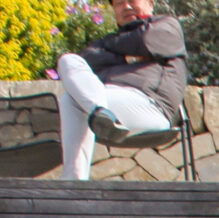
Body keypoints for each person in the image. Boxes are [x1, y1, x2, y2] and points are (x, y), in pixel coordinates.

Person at [52, 0, 186, 183]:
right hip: (110, 103)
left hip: (150, 105)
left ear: (150, 3)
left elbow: (146, 39)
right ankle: (75, 179)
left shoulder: (167, 25)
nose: (126, 6)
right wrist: (130, 54)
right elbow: (88, 58)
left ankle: (100, 114)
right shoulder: (113, 39)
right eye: (119, 3)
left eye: (132, 0)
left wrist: (109, 47)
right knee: (68, 62)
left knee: (73, 100)